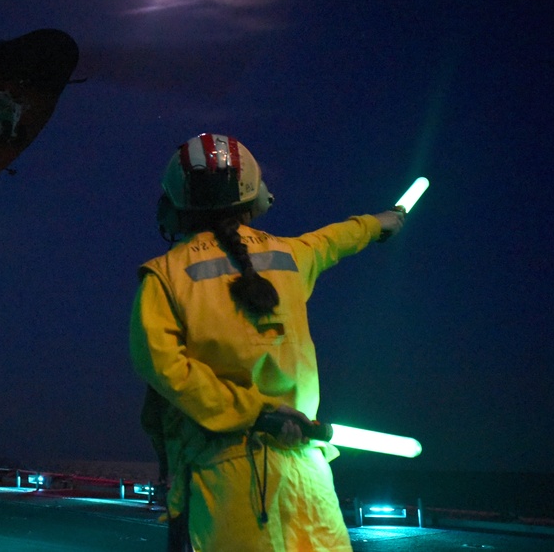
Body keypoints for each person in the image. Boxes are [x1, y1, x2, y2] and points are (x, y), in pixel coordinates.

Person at [130, 133, 405, 552]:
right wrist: (381, 222)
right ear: (254, 194)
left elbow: (165, 368)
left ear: (176, 202)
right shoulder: (292, 255)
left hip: (224, 478)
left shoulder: (164, 276)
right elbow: (337, 238)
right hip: (305, 469)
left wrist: (254, 412)